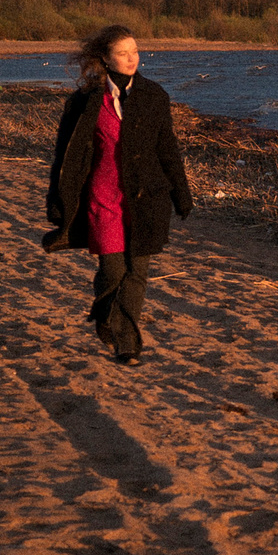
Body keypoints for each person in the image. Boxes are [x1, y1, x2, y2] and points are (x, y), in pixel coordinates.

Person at [45, 25, 193, 363]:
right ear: (106, 60)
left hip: (146, 197)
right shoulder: (84, 102)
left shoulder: (154, 96)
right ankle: (104, 314)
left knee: (137, 272)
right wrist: (58, 200)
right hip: (103, 196)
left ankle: (127, 343)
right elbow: (65, 156)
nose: (132, 59)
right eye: (123, 53)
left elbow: (167, 149)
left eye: (135, 51)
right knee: (113, 270)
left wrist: (181, 194)